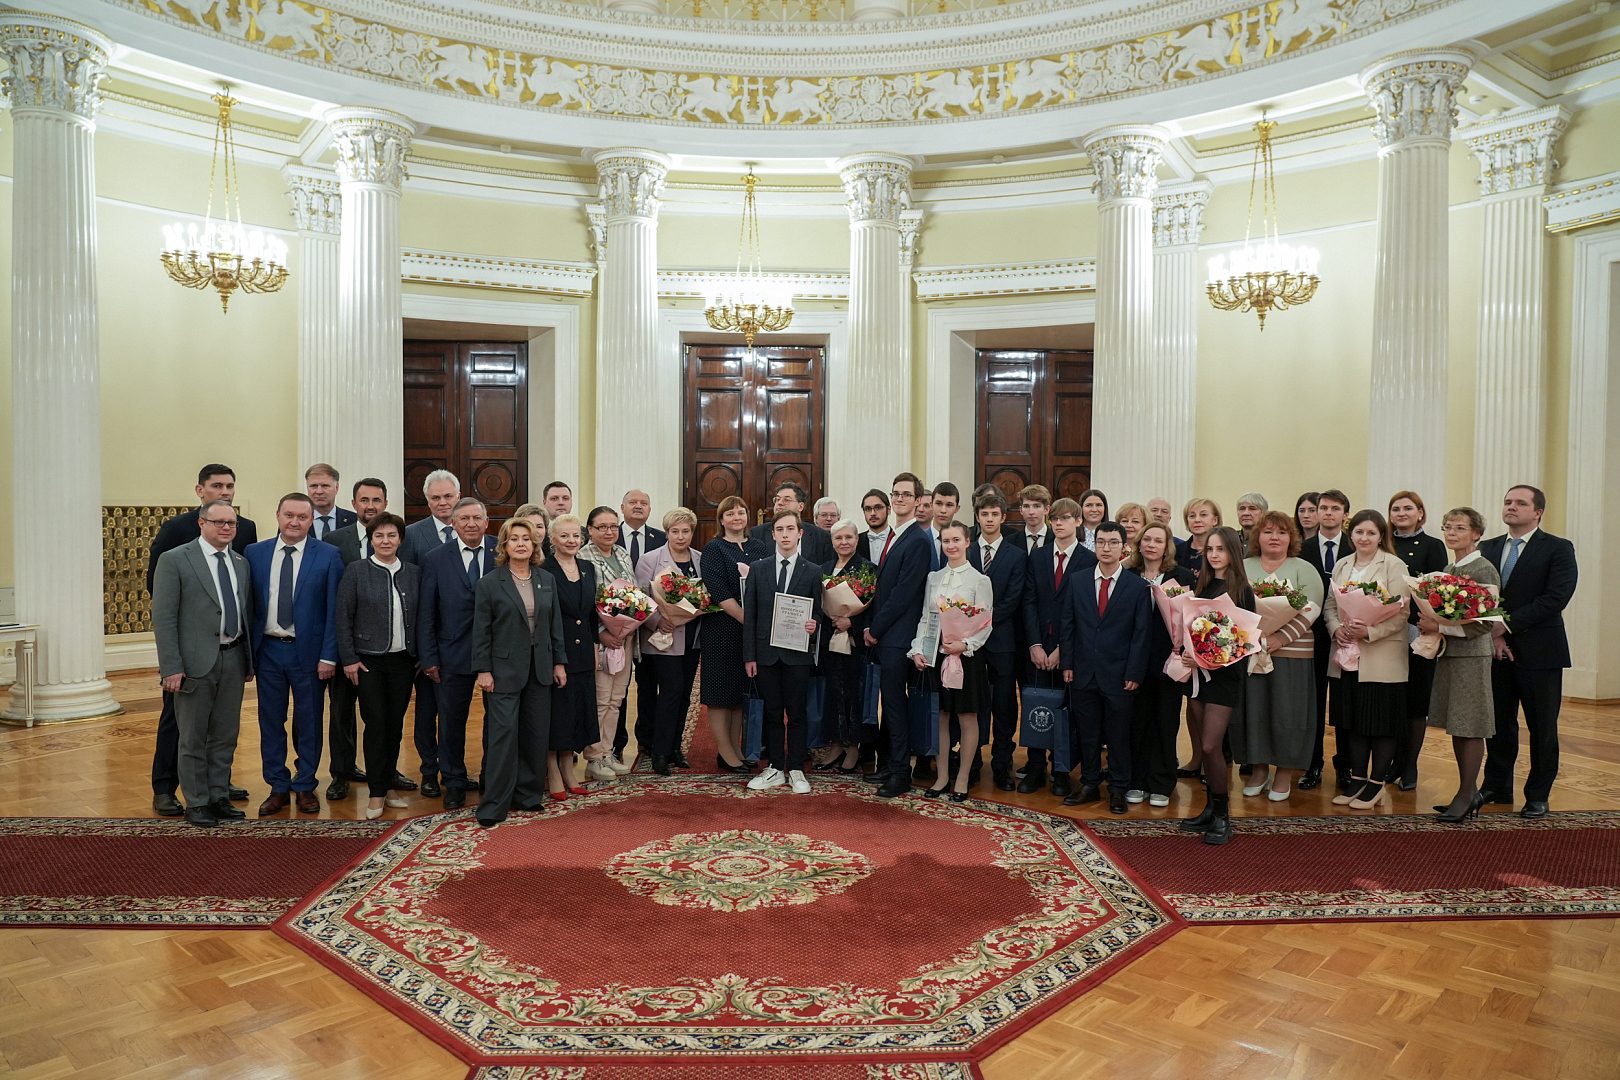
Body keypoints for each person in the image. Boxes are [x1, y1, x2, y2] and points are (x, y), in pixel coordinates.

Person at [146, 465, 258, 816]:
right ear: (202, 522)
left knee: (225, 734)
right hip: (193, 662)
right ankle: (195, 801)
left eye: (231, 524)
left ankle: (218, 794)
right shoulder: (175, 558)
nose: (226, 528)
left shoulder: (240, 562)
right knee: (190, 736)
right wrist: (171, 667)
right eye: (219, 523)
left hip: (232, 658)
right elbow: (163, 617)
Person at [1479, 485, 1578, 818]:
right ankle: (1496, 785)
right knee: (1499, 724)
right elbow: (1480, 597)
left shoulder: (1559, 548)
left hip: (1541, 651)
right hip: (1495, 650)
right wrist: (1493, 636)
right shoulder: (1488, 547)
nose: (1511, 507)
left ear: (1538, 512)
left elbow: (1555, 598)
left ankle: (1538, 794)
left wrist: (1504, 626)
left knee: (1542, 726)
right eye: (1507, 502)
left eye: (1520, 503)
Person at [245, 493, 343, 816]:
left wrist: (329, 655)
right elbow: (249, 608)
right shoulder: (254, 554)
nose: (295, 522)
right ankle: (277, 785)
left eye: (302, 517)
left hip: (310, 654)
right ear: (277, 515)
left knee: (310, 720)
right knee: (271, 720)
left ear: (311, 520)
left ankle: (305, 785)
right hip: (268, 651)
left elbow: (334, 612)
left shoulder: (329, 555)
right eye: (289, 515)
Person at [471, 517, 566, 828]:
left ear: (535, 545)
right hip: (502, 672)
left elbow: (555, 627)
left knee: (535, 735)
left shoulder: (546, 580)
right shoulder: (489, 583)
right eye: (514, 539)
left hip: (540, 670)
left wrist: (559, 662)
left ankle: (527, 795)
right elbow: (481, 632)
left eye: (526, 538)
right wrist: (483, 669)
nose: (521, 543)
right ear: (504, 546)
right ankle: (494, 803)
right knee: (502, 737)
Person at [1060, 521, 1152, 814]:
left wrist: (1134, 673)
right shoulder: (1077, 580)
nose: (1106, 548)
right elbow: (1068, 625)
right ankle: (1089, 782)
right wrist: (1068, 664)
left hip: (1120, 675)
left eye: (1113, 542)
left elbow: (1141, 635)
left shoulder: (1137, 587)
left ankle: (1118, 788)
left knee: (1118, 735)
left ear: (1124, 547)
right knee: (1087, 731)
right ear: (1094, 544)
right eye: (1101, 542)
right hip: (1083, 671)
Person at [1323, 509, 1411, 811]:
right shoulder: (1342, 565)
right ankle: (1357, 779)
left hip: (1381, 656)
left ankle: (1376, 784)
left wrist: (1369, 630)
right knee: (1354, 723)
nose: (1364, 538)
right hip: (1347, 654)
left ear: (1381, 536)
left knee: (1380, 724)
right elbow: (1331, 605)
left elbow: (1401, 612)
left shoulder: (1394, 565)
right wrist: (1337, 629)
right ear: (1352, 535)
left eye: (1371, 533)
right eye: (1359, 532)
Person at [336, 512, 419, 820]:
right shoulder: (356, 571)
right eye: (379, 536)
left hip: (403, 662)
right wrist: (349, 658)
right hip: (367, 661)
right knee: (376, 725)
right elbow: (342, 617)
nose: (386, 541)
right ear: (371, 540)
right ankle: (375, 793)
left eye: (391, 536)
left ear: (400, 539)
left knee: (395, 726)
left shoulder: (413, 572)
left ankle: (388, 786)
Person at [1236, 511, 1323, 804]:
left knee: (1289, 714)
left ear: (1291, 538)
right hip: (1250, 652)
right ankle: (1259, 770)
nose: (1274, 537)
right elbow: (1233, 606)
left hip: (1293, 653)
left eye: (1282, 532)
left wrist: (1278, 638)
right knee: (1255, 712)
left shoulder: (1305, 568)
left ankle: (1284, 773)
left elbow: (1311, 609)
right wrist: (1254, 638)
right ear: (1257, 536)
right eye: (1268, 531)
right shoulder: (1243, 566)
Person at [416, 497, 496, 810]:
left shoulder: (501, 552)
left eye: (477, 518)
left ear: (487, 522)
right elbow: (427, 612)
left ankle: (492, 777)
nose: (472, 524)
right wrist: (429, 658)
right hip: (451, 654)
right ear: (454, 524)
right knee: (450, 723)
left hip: (496, 654)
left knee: (497, 721)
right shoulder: (436, 558)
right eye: (464, 519)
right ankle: (454, 781)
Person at [1176, 526, 1254, 845]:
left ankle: (1223, 816)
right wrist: (1186, 648)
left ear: (1233, 552)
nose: (1214, 554)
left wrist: (1205, 659)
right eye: (1210, 549)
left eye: (1220, 549)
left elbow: (1241, 642)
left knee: (1211, 745)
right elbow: (1195, 628)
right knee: (1208, 749)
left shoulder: (1242, 590)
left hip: (1224, 678)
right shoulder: (1204, 585)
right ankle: (1210, 809)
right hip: (1197, 678)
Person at [319, 477, 395, 800]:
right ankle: (342, 772)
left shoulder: (395, 537)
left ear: (385, 504)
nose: (370, 506)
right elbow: (332, 595)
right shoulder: (335, 540)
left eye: (376, 500)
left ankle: (385, 771)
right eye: (364, 500)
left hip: (384, 646)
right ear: (353, 504)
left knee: (383, 714)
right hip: (346, 642)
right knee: (341, 712)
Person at [907, 520, 994, 801]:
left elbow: (985, 624)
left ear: (968, 542)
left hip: (966, 657)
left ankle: (963, 777)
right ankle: (942, 775)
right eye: (946, 541)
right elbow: (926, 617)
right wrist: (918, 648)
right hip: (937, 654)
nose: (951, 546)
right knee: (940, 717)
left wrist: (964, 644)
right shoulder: (933, 577)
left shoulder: (980, 580)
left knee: (967, 717)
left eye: (956, 540)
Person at [1426, 507, 1500, 822]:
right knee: (1458, 725)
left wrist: (1438, 627)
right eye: (1447, 527)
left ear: (1476, 534)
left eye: (1459, 527)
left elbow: (1484, 623)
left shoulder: (1483, 569)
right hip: (1452, 656)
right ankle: (1464, 791)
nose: (1451, 532)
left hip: (1472, 657)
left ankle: (1468, 794)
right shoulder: (1449, 566)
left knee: (1470, 727)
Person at [1020, 497, 1097, 796]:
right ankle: (1036, 767)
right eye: (1056, 519)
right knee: (1036, 706)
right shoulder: (1037, 557)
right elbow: (1028, 602)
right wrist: (1035, 644)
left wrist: (1063, 650)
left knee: (1066, 711)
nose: (1060, 523)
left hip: (1069, 649)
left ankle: (1062, 770)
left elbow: (1085, 612)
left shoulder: (1089, 560)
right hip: (1038, 645)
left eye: (1066, 518)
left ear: (1078, 522)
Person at [743, 510, 824, 793]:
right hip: (766, 655)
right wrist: (749, 656)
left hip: (798, 655)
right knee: (773, 713)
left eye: (791, 528)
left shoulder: (813, 571)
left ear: (800, 533)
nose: (786, 534)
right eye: (781, 529)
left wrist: (815, 624)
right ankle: (776, 767)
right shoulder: (759, 568)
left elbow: (819, 613)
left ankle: (798, 768)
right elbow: (750, 616)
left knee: (798, 712)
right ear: (773, 534)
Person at [864, 472, 932, 798]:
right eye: (896, 494)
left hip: (899, 636)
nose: (900, 499)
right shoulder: (897, 535)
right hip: (890, 634)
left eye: (907, 494)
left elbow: (903, 594)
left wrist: (875, 630)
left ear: (919, 500)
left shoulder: (917, 539)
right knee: (890, 705)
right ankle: (891, 764)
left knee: (894, 706)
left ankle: (901, 774)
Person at [399, 468, 462, 799]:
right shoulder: (412, 535)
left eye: (448, 496)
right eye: (436, 497)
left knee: (455, 713)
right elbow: (409, 591)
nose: (443, 503)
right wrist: (421, 648)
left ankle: (457, 768)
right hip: (427, 639)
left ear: (457, 496)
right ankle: (428, 770)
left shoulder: (471, 530)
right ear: (426, 500)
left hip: (463, 641)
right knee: (426, 711)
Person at [1124, 522, 1195, 807]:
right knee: (1136, 722)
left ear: (1168, 547)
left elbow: (1190, 619)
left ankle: (1162, 783)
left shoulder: (1183, 576)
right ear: (1139, 543)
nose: (1152, 544)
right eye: (1147, 539)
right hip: (1134, 661)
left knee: (1166, 722)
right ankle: (1136, 780)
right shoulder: (1128, 575)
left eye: (1158, 540)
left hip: (1170, 660)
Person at [700, 496, 770, 772]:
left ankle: (736, 749)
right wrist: (747, 619)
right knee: (720, 692)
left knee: (741, 691)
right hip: (722, 629)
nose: (736, 517)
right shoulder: (714, 549)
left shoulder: (759, 547)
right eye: (730, 513)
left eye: (741, 512)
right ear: (721, 519)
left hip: (751, 632)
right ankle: (725, 751)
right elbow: (719, 593)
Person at [636, 508, 706, 774]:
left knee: (685, 694)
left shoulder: (700, 559)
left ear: (692, 532)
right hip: (662, 637)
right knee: (671, 691)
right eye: (675, 531)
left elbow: (703, 597)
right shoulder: (650, 560)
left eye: (686, 531)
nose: (680, 536)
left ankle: (676, 748)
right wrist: (658, 620)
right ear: (667, 533)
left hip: (692, 636)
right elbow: (642, 599)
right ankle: (659, 752)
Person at [1388, 490, 1448, 790]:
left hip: (1420, 631)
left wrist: (1428, 621)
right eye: (1396, 508)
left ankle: (1410, 765)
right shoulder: (1385, 542)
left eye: (1407, 508)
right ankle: (1392, 762)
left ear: (1420, 513)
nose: (1401, 513)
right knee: (1394, 700)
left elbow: (1436, 590)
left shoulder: (1433, 545)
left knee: (1416, 702)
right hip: (1386, 631)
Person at [968, 491, 1027, 792]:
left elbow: (1014, 597)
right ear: (977, 518)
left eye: (995, 515)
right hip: (970, 644)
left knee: (1004, 705)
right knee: (975, 703)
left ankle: (1003, 763)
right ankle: (973, 761)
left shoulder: (1017, 555)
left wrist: (984, 620)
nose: (989, 519)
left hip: (1002, 641)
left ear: (1003, 518)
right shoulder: (965, 552)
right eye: (984, 514)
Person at [542, 513, 598, 801]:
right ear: (552, 540)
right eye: (564, 535)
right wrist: (555, 660)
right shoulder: (544, 569)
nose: (571, 540)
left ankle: (568, 766)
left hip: (583, 653)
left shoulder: (588, 567)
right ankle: (552, 768)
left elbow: (589, 614)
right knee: (557, 714)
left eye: (575, 535)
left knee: (577, 712)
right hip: (557, 652)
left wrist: (596, 647)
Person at [580, 506, 637, 776]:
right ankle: (593, 757)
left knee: (617, 698)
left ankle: (608, 751)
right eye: (602, 526)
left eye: (613, 526)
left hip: (624, 636)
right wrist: (603, 633)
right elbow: (584, 602)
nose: (609, 531)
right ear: (590, 530)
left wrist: (627, 627)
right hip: (600, 638)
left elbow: (633, 594)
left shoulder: (622, 553)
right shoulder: (583, 557)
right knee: (601, 699)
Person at [1300, 488, 1350, 791]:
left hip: (1349, 636)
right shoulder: (1302, 548)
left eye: (1335, 508)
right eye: (1323, 508)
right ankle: (1312, 763)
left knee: (1344, 703)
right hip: (1311, 637)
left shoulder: (1355, 547)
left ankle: (1345, 765)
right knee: (1314, 703)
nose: (1328, 513)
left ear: (1345, 513)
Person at [818, 518, 875, 774]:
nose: (844, 542)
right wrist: (832, 619)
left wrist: (851, 621)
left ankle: (854, 747)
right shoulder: (824, 568)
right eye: (838, 538)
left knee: (854, 693)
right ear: (832, 542)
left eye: (848, 537)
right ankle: (837, 744)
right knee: (833, 692)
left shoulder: (867, 569)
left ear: (856, 539)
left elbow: (874, 607)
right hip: (831, 641)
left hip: (855, 645)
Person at [618, 489, 664, 761]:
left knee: (648, 684)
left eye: (643, 503)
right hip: (617, 626)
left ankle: (647, 739)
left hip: (651, 625)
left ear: (649, 509)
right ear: (622, 507)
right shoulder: (608, 534)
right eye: (633, 503)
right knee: (618, 686)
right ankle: (616, 743)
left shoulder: (660, 537)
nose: (638, 506)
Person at [750, 482, 835, 565]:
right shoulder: (757, 534)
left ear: (800, 506)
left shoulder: (820, 537)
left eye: (786, 500)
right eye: (777, 499)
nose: (779, 503)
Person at [304, 464, 355, 541]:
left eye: (325, 486)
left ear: (337, 488)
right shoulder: (296, 522)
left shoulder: (353, 520)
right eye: (314, 486)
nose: (319, 491)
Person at [1178, 497, 1221, 573]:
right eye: (1192, 516)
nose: (1197, 520)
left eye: (1203, 515)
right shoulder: (1177, 552)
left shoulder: (1226, 550)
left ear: (1215, 520)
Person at [1018, 484, 1054, 554]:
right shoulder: (1009, 542)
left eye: (1036, 506)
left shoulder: (1057, 540)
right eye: (1026, 506)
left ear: (1046, 509)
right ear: (1021, 510)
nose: (1031, 512)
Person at [861, 489, 892, 565]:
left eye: (878, 507)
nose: (873, 513)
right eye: (868, 509)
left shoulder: (899, 539)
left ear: (889, 509)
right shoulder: (855, 542)